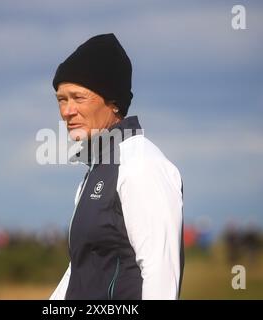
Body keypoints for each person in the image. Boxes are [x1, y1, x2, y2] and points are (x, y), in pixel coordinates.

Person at [49, 33, 184, 300]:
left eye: (78, 97)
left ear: (113, 102)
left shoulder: (141, 164)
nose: (67, 111)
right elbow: (80, 271)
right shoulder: (97, 168)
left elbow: (161, 272)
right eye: (61, 99)